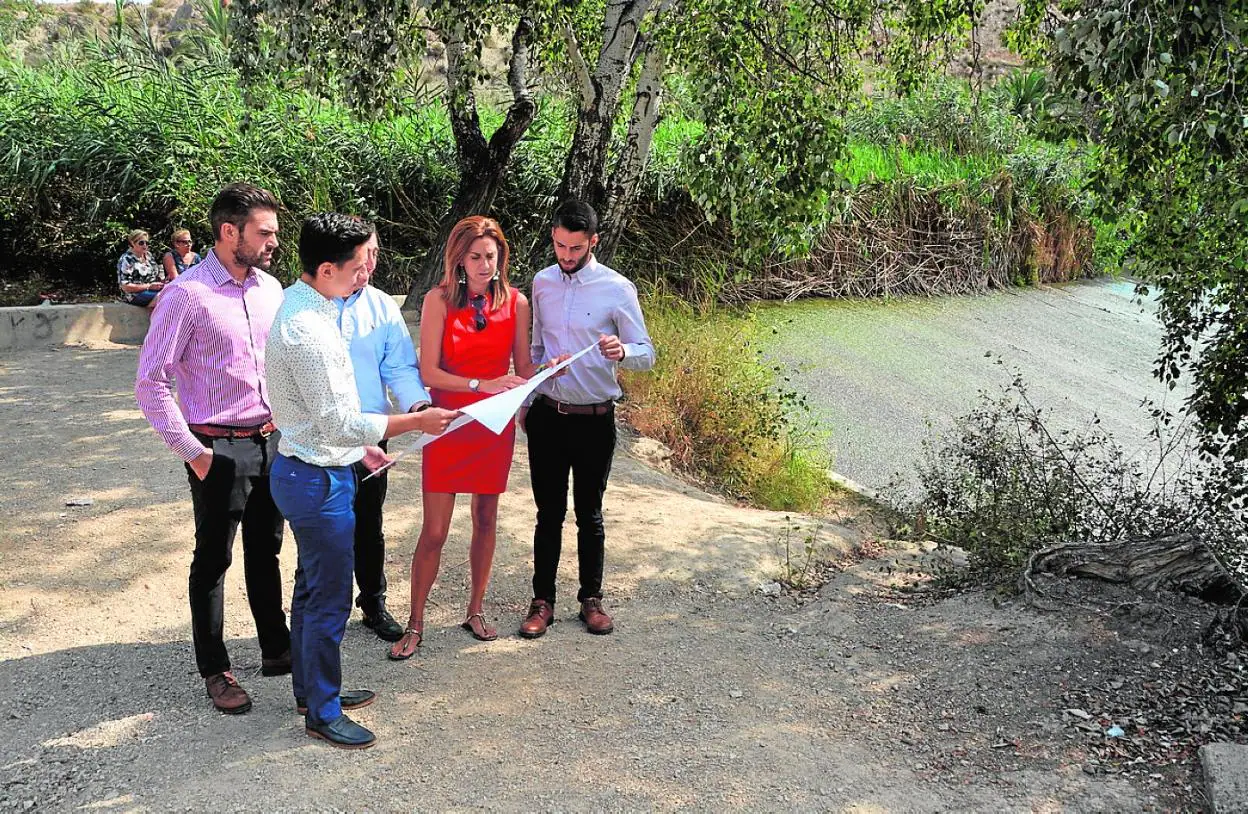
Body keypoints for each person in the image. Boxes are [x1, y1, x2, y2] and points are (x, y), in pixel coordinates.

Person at [266, 212, 458, 749]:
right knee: (327, 601)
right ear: (327, 268)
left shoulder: (309, 306)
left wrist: (364, 440)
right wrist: (415, 421)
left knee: (311, 590)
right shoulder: (309, 328)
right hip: (318, 475)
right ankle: (322, 711)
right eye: (357, 265)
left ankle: (312, 690)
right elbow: (337, 420)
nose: (365, 274)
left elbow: (338, 415)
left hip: (317, 463)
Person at [134, 183, 291, 715]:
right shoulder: (187, 295)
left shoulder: (272, 289)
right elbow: (151, 382)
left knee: (266, 550)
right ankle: (216, 669)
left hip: (271, 441)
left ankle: (276, 649)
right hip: (216, 447)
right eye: (264, 232)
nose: (274, 241)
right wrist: (194, 453)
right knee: (214, 559)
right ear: (230, 232)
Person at [388, 215, 540, 660]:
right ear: (458, 258)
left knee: (486, 519)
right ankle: (415, 621)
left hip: (494, 426)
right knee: (434, 530)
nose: (484, 265)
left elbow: (523, 370)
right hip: (448, 423)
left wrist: (552, 369)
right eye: (475, 257)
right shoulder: (437, 301)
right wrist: (481, 384)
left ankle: (475, 609)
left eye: (491, 256)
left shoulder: (517, 302)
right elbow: (430, 372)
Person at [517, 199, 655, 639]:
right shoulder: (541, 283)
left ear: (593, 242)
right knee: (547, 513)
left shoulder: (617, 289)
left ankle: (590, 599)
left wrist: (623, 351)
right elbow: (536, 350)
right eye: (559, 245)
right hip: (548, 414)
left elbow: (646, 353)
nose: (566, 256)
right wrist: (526, 401)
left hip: (595, 418)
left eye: (575, 248)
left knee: (590, 513)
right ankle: (543, 601)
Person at [335, 228, 432, 642]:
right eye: (362, 256)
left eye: (374, 254)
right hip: (324, 436)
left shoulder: (381, 306)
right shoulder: (305, 303)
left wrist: (418, 407)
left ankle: (372, 602)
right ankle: (325, 610)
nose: (370, 265)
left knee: (368, 522)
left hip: (375, 433)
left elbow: (399, 368)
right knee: (324, 526)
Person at [118, 229, 166, 309]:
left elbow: (156, 275)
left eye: (147, 243)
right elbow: (125, 286)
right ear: (132, 243)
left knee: (172, 293)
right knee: (163, 297)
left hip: (152, 291)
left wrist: (162, 281)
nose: (145, 245)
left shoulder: (148, 256)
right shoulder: (127, 259)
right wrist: (149, 286)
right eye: (141, 243)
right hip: (134, 295)